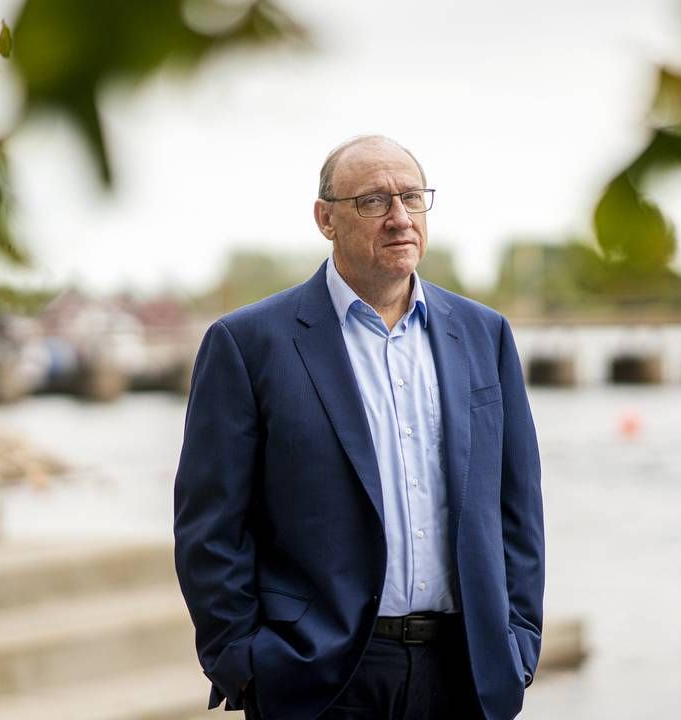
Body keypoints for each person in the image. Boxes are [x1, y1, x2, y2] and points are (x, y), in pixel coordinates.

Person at [174, 135, 544, 720]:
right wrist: (243, 664)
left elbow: (516, 505)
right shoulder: (248, 344)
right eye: (374, 201)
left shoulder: (484, 334)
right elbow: (210, 525)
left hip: (466, 673)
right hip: (319, 680)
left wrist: (520, 641)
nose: (400, 218)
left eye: (413, 198)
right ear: (326, 219)